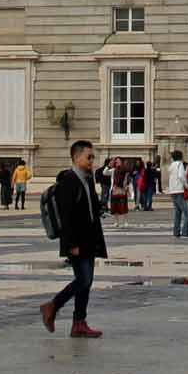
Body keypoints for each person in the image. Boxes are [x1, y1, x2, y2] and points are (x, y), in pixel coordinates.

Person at [40, 139, 108, 338]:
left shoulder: (87, 179)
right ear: (76, 157)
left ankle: (79, 323)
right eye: (89, 157)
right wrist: (71, 244)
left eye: (92, 157)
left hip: (89, 239)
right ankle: (52, 306)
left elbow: (91, 208)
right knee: (83, 280)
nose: (91, 161)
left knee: (86, 282)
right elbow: (67, 215)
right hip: (76, 241)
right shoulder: (69, 181)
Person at [168, 150, 188, 237]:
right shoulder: (180, 164)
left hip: (172, 190)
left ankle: (176, 231)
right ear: (181, 156)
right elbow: (181, 176)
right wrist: (186, 185)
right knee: (187, 212)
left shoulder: (171, 165)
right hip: (179, 190)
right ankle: (185, 232)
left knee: (177, 212)